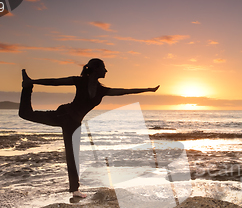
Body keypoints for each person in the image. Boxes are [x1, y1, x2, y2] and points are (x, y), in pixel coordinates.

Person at [19, 58, 159, 198]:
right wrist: (33, 82)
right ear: (96, 69)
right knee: (25, 113)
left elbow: (124, 91)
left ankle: (75, 190)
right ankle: (27, 86)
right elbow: (55, 82)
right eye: (103, 68)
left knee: (73, 156)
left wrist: (147, 89)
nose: (106, 70)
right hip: (64, 115)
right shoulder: (80, 81)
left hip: (75, 123)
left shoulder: (101, 90)